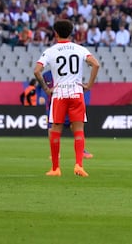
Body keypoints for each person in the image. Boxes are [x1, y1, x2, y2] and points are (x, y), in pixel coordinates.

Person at [34, 19, 101, 177]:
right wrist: (89, 85)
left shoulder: (50, 51)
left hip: (59, 94)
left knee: (55, 130)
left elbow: (37, 71)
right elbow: (96, 64)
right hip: (76, 92)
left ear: (55, 33)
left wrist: (45, 88)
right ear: (71, 33)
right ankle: (79, 165)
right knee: (78, 130)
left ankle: (56, 168)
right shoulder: (80, 49)